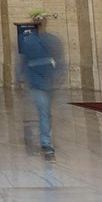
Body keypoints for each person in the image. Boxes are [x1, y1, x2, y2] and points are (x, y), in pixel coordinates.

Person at [18, 19, 66, 160]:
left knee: (46, 113)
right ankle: (46, 144)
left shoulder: (48, 40)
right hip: (38, 82)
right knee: (44, 112)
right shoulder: (31, 41)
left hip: (47, 81)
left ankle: (46, 139)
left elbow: (59, 60)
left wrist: (20, 78)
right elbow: (23, 61)